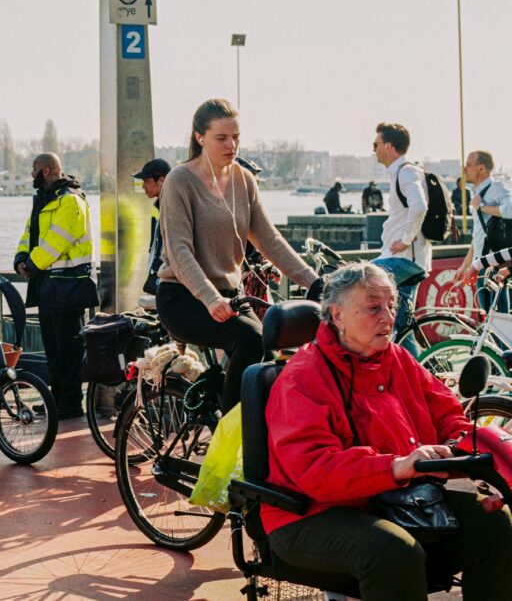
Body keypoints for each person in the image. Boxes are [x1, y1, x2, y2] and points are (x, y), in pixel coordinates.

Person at [263, 263, 512, 601]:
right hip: (310, 512)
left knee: (494, 522)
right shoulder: (302, 377)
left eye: (392, 305)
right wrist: (394, 466)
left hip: (398, 497)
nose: (389, 316)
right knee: (393, 550)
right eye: (373, 307)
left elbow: (447, 415)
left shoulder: (396, 358)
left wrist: (460, 446)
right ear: (337, 315)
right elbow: (315, 469)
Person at [158, 99, 320, 412]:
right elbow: (178, 252)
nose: (231, 145)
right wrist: (209, 298)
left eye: (236, 137)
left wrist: (315, 282)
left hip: (230, 296)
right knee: (250, 339)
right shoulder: (180, 180)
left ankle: (255, 432)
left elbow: (269, 241)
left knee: (271, 365)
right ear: (199, 137)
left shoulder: (243, 180)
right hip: (183, 296)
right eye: (221, 138)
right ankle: (232, 437)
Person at [14, 152, 98, 420]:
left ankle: (71, 404)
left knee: (69, 349)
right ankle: (56, 399)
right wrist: (20, 259)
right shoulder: (44, 201)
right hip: (49, 287)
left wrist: (32, 264)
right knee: (53, 349)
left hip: (69, 285)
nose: (31, 174)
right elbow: (30, 234)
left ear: (48, 171)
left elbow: (56, 241)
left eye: (35, 169)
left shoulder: (70, 201)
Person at [370, 122, 430, 354]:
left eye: (375, 144)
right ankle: (420, 375)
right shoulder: (403, 171)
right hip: (408, 260)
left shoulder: (406, 171)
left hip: (404, 259)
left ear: (389, 146)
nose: (373, 149)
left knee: (357, 277)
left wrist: (405, 239)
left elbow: (419, 206)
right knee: (402, 329)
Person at [453, 150, 511, 313]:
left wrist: (481, 206)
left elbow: (510, 210)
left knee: (498, 320)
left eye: (469, 165)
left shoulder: (496, 188)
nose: (465, 169)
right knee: (491, 322)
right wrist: (464, 266)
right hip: (481, 263)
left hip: (493, 263)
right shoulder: (478, 193)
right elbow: (478, 237)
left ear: (482, 168)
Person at [132, 158, 170, 295]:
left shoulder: (173, 208)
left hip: (167, 282)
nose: (143, 187)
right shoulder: (160, 206)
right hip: (160, 279)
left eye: (146, 181)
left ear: (161, 181)